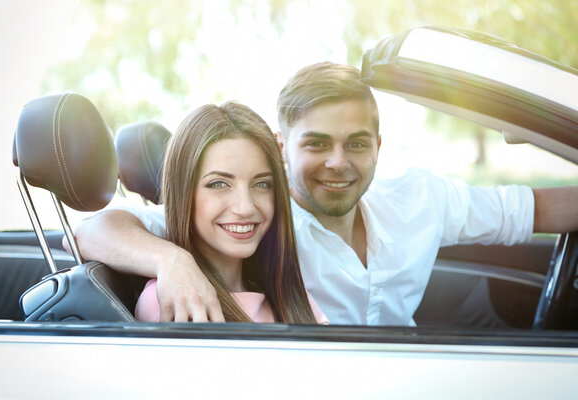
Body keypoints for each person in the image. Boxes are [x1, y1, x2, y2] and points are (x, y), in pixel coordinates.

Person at [73, 62, 578, 325]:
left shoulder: (422, 199)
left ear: (378, 146)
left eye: (356, 143)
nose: (339, 162)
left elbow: (533, 207)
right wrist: (171, 262)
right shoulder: (257, 224)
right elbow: (94, 226)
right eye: (317, 143)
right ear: (283, 146)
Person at [130, 101, 327, 323]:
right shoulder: (172, 299)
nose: (245, 208)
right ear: (183, 193)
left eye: (261, 184)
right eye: (219, 184)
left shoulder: (289, 295)